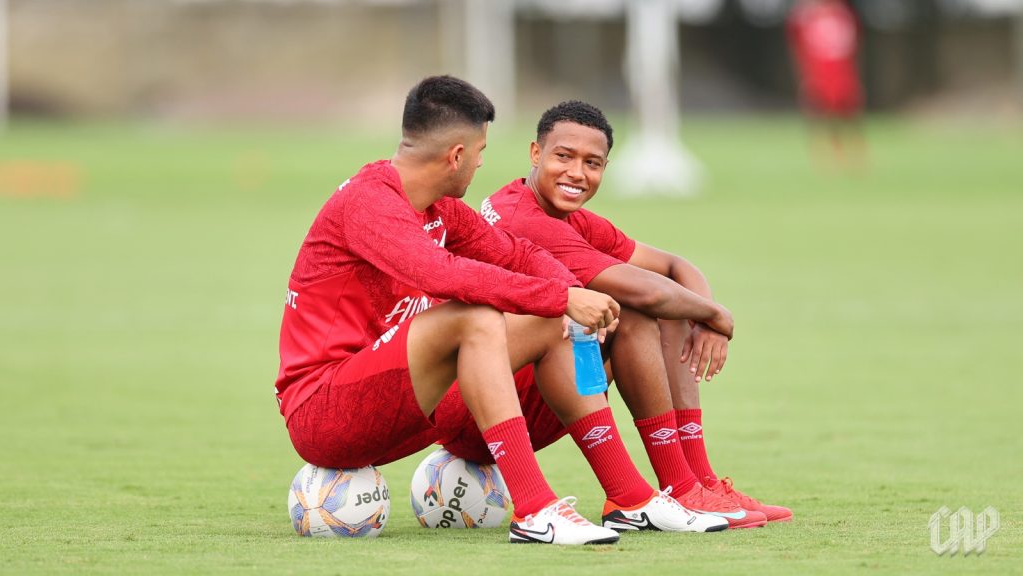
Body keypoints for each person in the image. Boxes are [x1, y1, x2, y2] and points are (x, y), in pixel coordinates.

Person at [275, 76, 626, 545]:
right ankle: (536, 509)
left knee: (549, 323)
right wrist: (564, 298)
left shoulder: (441, 207)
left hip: (403, 395)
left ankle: (630, 496)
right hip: (324, 414)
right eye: (480, 151)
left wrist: (569, 293)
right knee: (475, 317)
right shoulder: (368, 203)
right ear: (456, 155)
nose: (482, 162)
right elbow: (445, 275)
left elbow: (514, 253)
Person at [441, 101, 792, 528]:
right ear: (536, 153)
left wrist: (707, 315)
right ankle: (680, 487)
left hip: (521, 388)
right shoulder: (524, 218)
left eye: (592, 163)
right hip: (478, 408)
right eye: (563, 157)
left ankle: (698, 480)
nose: (576, 173)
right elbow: (648, 290)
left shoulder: (574, 220)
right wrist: (720, 316)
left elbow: (675, 267)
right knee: (642, 311)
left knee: (669, 306)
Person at [786, 0, 866, 169]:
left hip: (843, 76)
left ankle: (854, 158)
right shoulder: (806, 16)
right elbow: (796, 44)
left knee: (849, 118)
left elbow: (855, 43)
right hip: (818, 76)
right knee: (820, 119)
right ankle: (825, 161)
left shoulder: (844, 13)